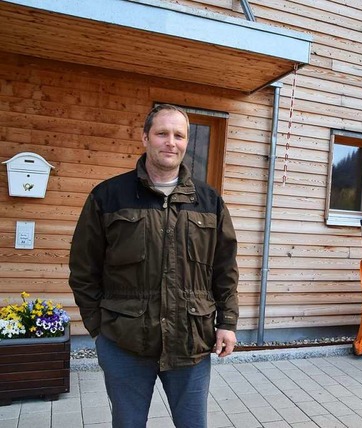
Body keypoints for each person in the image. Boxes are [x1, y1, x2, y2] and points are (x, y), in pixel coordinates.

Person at [69, 104, 239, 428]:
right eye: (162, 133)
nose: (170, 142)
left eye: (179, 135)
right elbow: (83, 268)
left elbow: (225, 269)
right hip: (125, 345)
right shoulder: (108, 197)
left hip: (190, 343)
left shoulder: (209, 201)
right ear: (145, 137)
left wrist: (227, 321)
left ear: (187, 142)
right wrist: (99, 329)